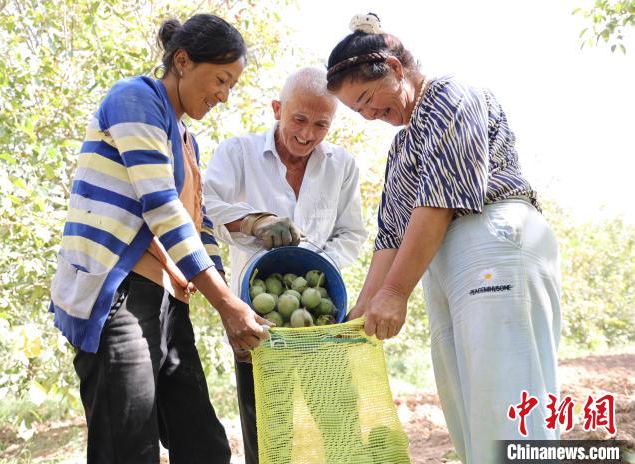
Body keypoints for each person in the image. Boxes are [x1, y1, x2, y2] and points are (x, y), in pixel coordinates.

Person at [325, 13, 561, 464]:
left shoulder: (452, 96)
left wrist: (395, 293)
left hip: (494, 241)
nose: (371, 114)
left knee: (505, 400)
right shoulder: (402, 147)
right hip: (446, 263)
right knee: (467, 409)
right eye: (358, 111)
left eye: (369, 98)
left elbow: (442, 200)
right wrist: (352, 325)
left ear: (395, 69)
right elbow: (391, 239)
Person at [48, 14, 271, 464]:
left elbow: (199, 224)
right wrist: (226, 306)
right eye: (221, 79)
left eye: (232, 86)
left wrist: (229, 297)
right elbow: (162, 208)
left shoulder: (185, 138)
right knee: (128, 448)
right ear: (183, 61)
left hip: (167, 301)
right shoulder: (135, 100)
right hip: (120, 296)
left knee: (204, 445)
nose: (224, 95)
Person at [203, 66, 368, 464]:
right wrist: (254, 221)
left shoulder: (342, 166)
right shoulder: (237, 153)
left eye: (320, 125)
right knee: (268, 435)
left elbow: (353, 234)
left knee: (339, 426)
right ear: (277, 109)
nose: (307, 134)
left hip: (321, 318)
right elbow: (206, 209)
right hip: (258, 323)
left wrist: (317, 261)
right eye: (298, 119)